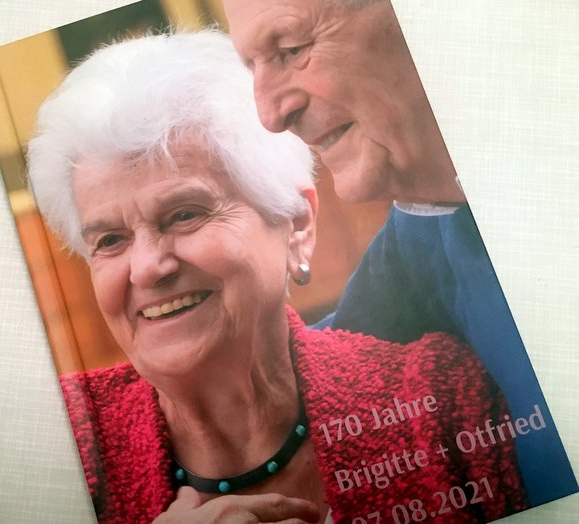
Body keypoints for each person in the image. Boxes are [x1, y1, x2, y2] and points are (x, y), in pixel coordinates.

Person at [28, 31, 527, 523]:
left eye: (184, 214)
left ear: (295, 225)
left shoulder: (438, 398)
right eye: (110, 241)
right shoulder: (49, 442)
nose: (147, 267)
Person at [222, 0, 578, 506]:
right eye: (252, 67)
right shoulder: (423, 232)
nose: (271, 114)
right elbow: (309, 371)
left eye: (292, 49)